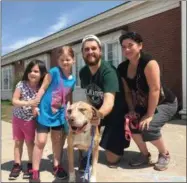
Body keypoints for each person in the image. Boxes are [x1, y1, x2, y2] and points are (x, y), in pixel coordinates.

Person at [117, 31, 178, 171]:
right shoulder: (122, 68)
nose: (126, 49)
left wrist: (149, 115)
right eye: (123, 46)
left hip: (165, 102)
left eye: (130, 45)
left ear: (140, 46)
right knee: (132, 124)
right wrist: (132, 110)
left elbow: (155, 89)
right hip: (143, 104)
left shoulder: (148, 62)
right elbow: (127, 91)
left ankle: (164, 154)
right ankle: (145, 155)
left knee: (149, 127)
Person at [79, 35, 130, 171]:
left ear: (100, 51)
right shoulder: (83, 73)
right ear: (83, 53)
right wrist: (86, 115)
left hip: (115, 113)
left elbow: (109, 102)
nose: (90, 52)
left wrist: (97, 116)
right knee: (79, 122)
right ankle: (85, 154)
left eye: (94, 48)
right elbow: (90, 97)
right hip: (97, 110)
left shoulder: (108, 71)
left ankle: (117, 141)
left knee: (112, 159)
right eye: (86, 49)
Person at [29, 46, 76, 183]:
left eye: (68, 59)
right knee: (41, 141)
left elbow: (68, 97)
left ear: (73, 60)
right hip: (44, 112)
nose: (65, 62)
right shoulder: (54, 72)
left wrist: (69, 111)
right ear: (58, 60)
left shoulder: (73, 80)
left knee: (57, 141)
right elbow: (42, 88)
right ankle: (35, 170)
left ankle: (57, 166)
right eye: (62, 59)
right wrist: (34, 105)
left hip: (59, 115)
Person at [9, 60, 47, 180]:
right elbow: (14, 100)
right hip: (17, 118)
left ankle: (31, 163)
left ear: (42, 74)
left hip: (30, 120)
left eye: (36, 71)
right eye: (30, 70)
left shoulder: (41, 87)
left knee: (30, 143)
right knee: (18, 142)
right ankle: (17, 164)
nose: (32, 73)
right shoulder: (21, 84)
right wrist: (29, 103)